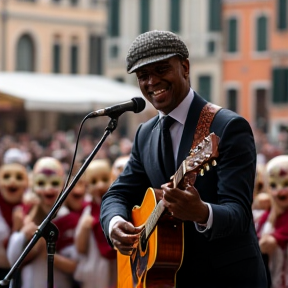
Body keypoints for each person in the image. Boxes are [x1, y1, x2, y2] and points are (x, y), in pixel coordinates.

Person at [100, 30, 268, 287]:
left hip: (225, 279)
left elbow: (239, 214)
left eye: (161, 69)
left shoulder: (227, 127)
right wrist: (115, 223)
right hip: (167, 277)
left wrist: (202, 213)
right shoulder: (145, 134)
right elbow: (116, 194)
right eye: (143, 76)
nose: (152, 82)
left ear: (185, 67)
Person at [74, 159, 117, 288]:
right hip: (97, 268)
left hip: (119, 265)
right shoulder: (88, 212)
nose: (99, 186)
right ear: (87, 186)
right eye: (93, 182)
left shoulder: (121, 206)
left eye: (104, 179)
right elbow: (80, 248)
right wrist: (84, 229)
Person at [256, 155, 288, 288]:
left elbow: (263, 246)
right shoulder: (267, 213)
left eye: (286, 184)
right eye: (274, 185)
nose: (280, 190)